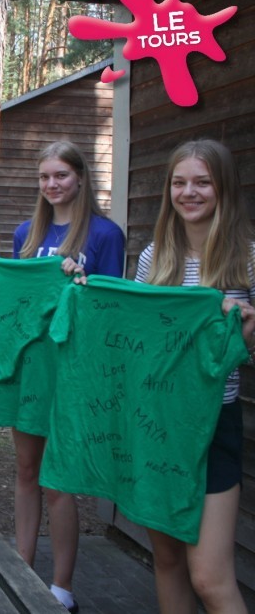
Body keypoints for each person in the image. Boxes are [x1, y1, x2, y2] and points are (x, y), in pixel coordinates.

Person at [134, 139, 255, 614]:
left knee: (209, 577)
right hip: (157, 424)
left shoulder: (247, 257)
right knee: (167, 561)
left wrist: (248, 330)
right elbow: (135, 338)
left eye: (202, 182)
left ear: (223, 186)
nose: (189, 192)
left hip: (213, 424)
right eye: (179, 182)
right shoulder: (154, 257)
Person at [12, 140, 126, 612]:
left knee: (58, 479)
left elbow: (111, 308)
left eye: (61, 175)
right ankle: (20, 571)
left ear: (80, 177)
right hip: (31, 368)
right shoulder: (26, 233)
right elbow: (17, 300)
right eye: (44, 177)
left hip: (74, 371)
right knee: (25, 471)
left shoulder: (105, 234)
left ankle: (61, 589)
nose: (52, 184)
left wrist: (84, 281)